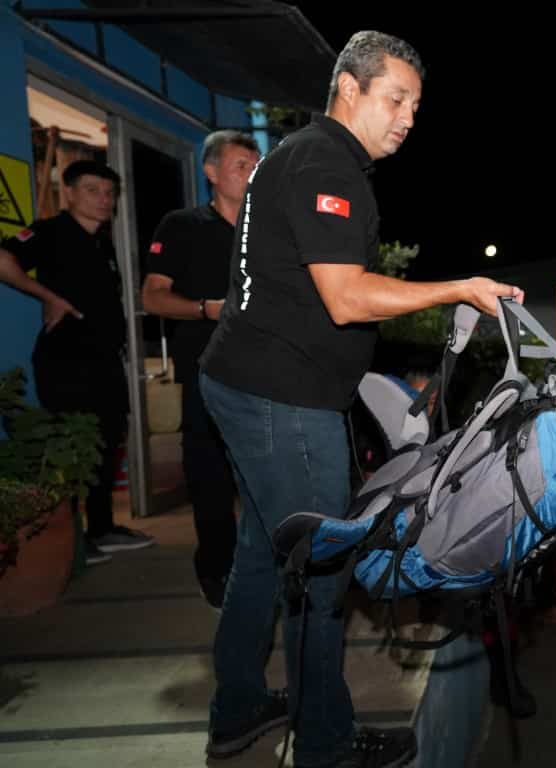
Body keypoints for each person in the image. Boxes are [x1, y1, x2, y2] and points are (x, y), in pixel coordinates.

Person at [197, 31, 523, 768]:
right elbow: (345, 299)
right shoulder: (324, 163)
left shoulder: (305, 158)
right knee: (320, 572)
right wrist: (461, 287)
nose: (408, 117)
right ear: (349, 87)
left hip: (246, 384)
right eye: (395, 98)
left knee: (259, 556)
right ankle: (326, 745)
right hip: (282, 398)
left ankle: (239, 707)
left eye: (416, 104)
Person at [0, 160, 155, 565]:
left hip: (104, 360)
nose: (103, 200)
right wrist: (48, 297)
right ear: (68, 192)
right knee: (73, 446)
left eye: (108, 193)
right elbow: (3, 260)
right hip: (67, 360)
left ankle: (102, 529)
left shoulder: (102, 242)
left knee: (106, 441)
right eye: (92, 190)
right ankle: (71, 542)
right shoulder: (50, 232)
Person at [141, 130, 261, 609]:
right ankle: (217, 569)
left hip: (265, 374)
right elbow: (152, 296)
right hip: (207, 373)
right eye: (240, 165)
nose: (251, 174)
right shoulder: (181, 224)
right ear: (211, 173)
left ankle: (267, 566)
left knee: (262, 477)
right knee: (210, 479)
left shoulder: (268, 229)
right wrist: (205, 309)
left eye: (256, 165)